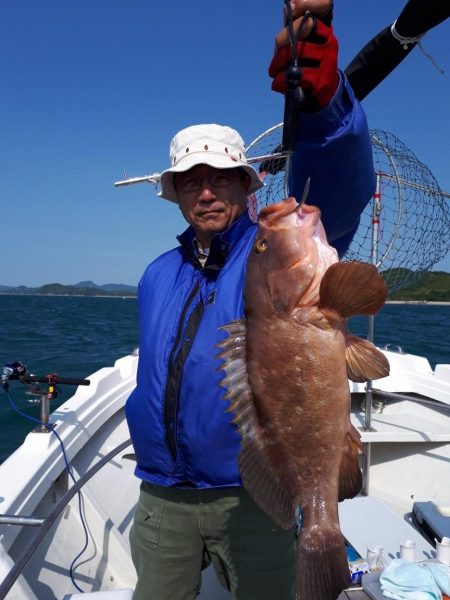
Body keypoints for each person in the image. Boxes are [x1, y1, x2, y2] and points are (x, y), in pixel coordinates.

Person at [125, 2, 375, 599]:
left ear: (246, 182)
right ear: (176, 193)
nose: (206, 190)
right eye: (191, 179)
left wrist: (321, 100)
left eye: (220, 176)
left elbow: (336, 177)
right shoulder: (156, 275)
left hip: (251, 498)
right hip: (162, 497)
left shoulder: (266, 256)